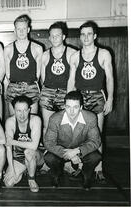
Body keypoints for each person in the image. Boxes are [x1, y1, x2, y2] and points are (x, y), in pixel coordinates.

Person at [67, 20, 114, 182]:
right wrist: (68, 103)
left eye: (89, 34)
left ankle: (99, 168)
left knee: (96, 134)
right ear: (80, 37)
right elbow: (71, 81)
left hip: (97, 97)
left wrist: (110, 99)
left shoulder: (103, 54)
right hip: (79, 97)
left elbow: (110, 78)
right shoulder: (74, 56)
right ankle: (81, 166)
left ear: (95, 35)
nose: (86, 37)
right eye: (83, 34)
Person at [44, 91, 101, 190]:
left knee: (95, 157)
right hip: (62, 150)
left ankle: (86, 175)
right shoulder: (55, 118)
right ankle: (56, 174)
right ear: (64, 107)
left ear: (81, 107)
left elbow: (95, 141)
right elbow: (48, 143)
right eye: (68, 107)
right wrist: (66, 154)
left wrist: (77, 151)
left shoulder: (90, 118)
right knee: (49, 158)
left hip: (80, 149)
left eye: (75, 107)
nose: (72, 111)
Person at [40, 21, 77, 140]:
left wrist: (69, 95)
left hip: (66, 93)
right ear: (49, 38)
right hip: (48, 92)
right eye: (52, 36)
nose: (55, 38)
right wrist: (48, 92)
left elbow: (75, 78)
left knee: (66, 126)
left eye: (58, 35)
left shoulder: (72, 53)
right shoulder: (45, 55)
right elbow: (43, 79)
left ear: (64, 36)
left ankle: (65, 154)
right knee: (48, 125)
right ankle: (48, 151)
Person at [4, 15, 43, 115]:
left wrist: (29, 85)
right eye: (18, 29)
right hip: (14, 87)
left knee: (32, 120)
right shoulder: (8, 49)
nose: (21, 32)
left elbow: (38, 74)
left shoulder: (37, 48)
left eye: (24, 28)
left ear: (28, 29)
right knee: (13, 121)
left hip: (31, 86)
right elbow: (8, 74)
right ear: (15, 30)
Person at [4, 96, 43, 193]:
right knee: (8, 183)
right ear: (14, 110)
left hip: (36, 156)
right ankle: (25, 168)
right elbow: (8, 148)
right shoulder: (10, 122)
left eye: (25, 110)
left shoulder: (35, 120)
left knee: (29, 152)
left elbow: (34, 146)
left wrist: (13, 141)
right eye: (19, 111)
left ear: (29, 110)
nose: (22, 115)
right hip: (19, 157)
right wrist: (12, 169)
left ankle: (31, 179)